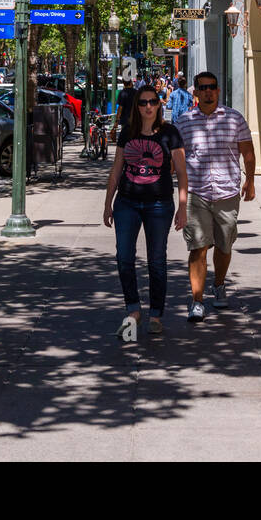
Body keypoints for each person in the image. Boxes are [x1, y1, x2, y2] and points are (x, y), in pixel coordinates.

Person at [103, 83, 188, 339]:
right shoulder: (128, 132)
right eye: (143, 102)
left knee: (157, 260)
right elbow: (116, 169)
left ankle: (156, 315)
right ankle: (133, 309)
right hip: (126, 203)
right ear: (137, 107)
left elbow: (182, 172)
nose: (148, 106)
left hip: (159, 205)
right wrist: (108, 203)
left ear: (159, 105)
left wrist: (183, 207)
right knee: (124, 257)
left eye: (153, 102)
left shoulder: (170, 133)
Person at [176, 71, 255, 322]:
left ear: (218, 90)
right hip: (196, 192)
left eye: (212, 87)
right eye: (203, 87)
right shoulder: (184, 122)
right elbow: (175, 159)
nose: (208, 91)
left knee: (224, 245)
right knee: (198, 247)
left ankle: (219, 284)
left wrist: (250, 181)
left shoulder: (234, 118)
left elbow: (248, 152)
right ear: (196, 93)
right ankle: (197, 301)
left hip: (227, 192)